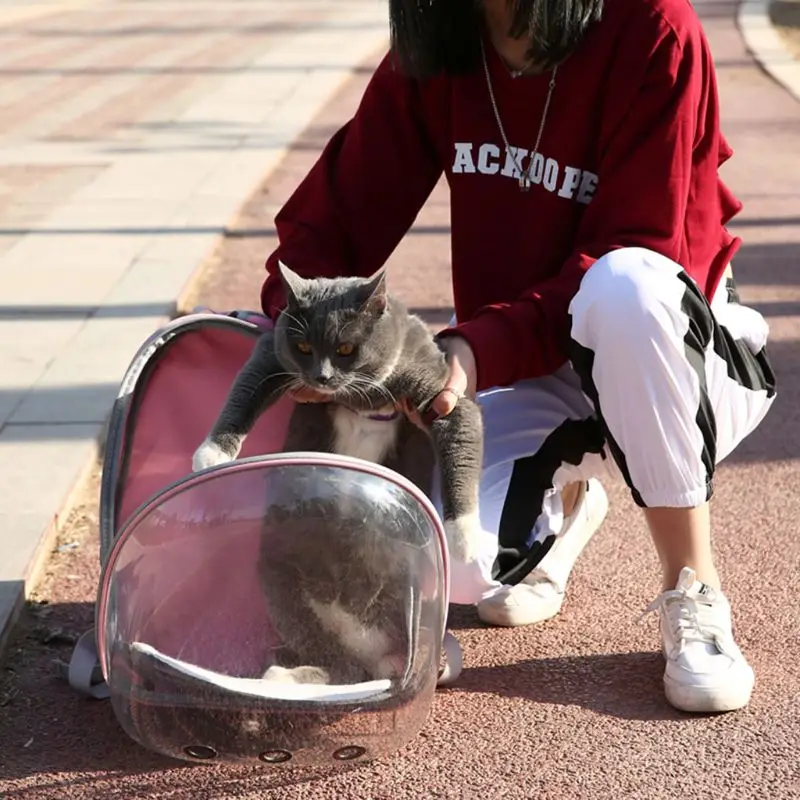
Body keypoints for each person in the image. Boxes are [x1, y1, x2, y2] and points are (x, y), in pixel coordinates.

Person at [258, 0, 776, 714]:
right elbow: (336, 217)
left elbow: (644, 243)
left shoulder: (653, 26)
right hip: (527, 364)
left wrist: (474, 347)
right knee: (443, 553)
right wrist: (298, 324)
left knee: (626, 286)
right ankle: (563, 511)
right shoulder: (444, 30)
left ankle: (694, 584)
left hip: (675, 361)